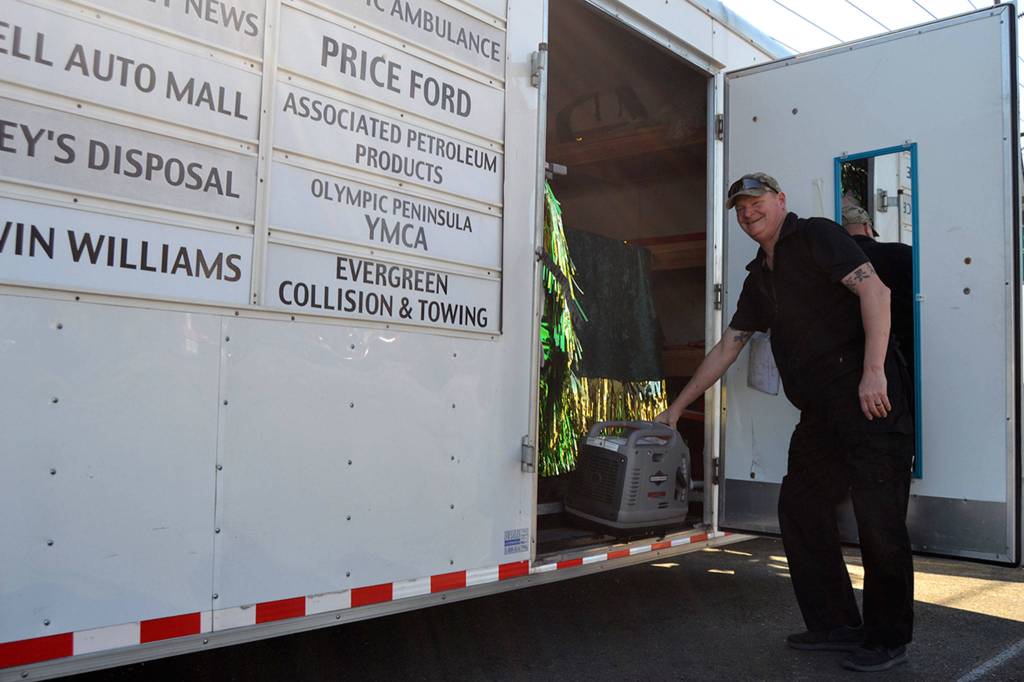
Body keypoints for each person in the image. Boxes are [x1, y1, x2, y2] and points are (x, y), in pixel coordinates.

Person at [656, 173, 915, 673]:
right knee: (799, 505)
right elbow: (729, 346)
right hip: (820, 410)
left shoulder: (817, 235)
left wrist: (874, 372)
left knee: (879, 520)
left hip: (868, 397)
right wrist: (677, 404)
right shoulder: (761, 276)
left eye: (756, 203)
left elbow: (875, 294)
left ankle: (887, 638)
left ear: (780, 201)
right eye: (740, 209)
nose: (748, 214)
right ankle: (835, 623)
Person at [842, 205, 915, 380]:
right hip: (907, 351)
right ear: (867, 228)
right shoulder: (902, 253)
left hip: (853, 361)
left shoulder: (836, 264)